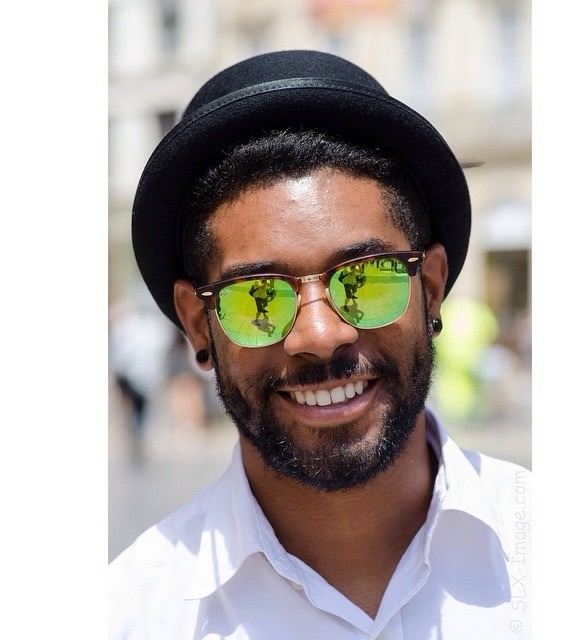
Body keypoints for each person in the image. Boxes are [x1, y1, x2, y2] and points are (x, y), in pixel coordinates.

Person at [109, 50, 531, 639]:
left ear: (431, 290)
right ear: (200, 326)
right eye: (258, 296)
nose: (321, 335)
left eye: (366, 278)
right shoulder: (129, 615)